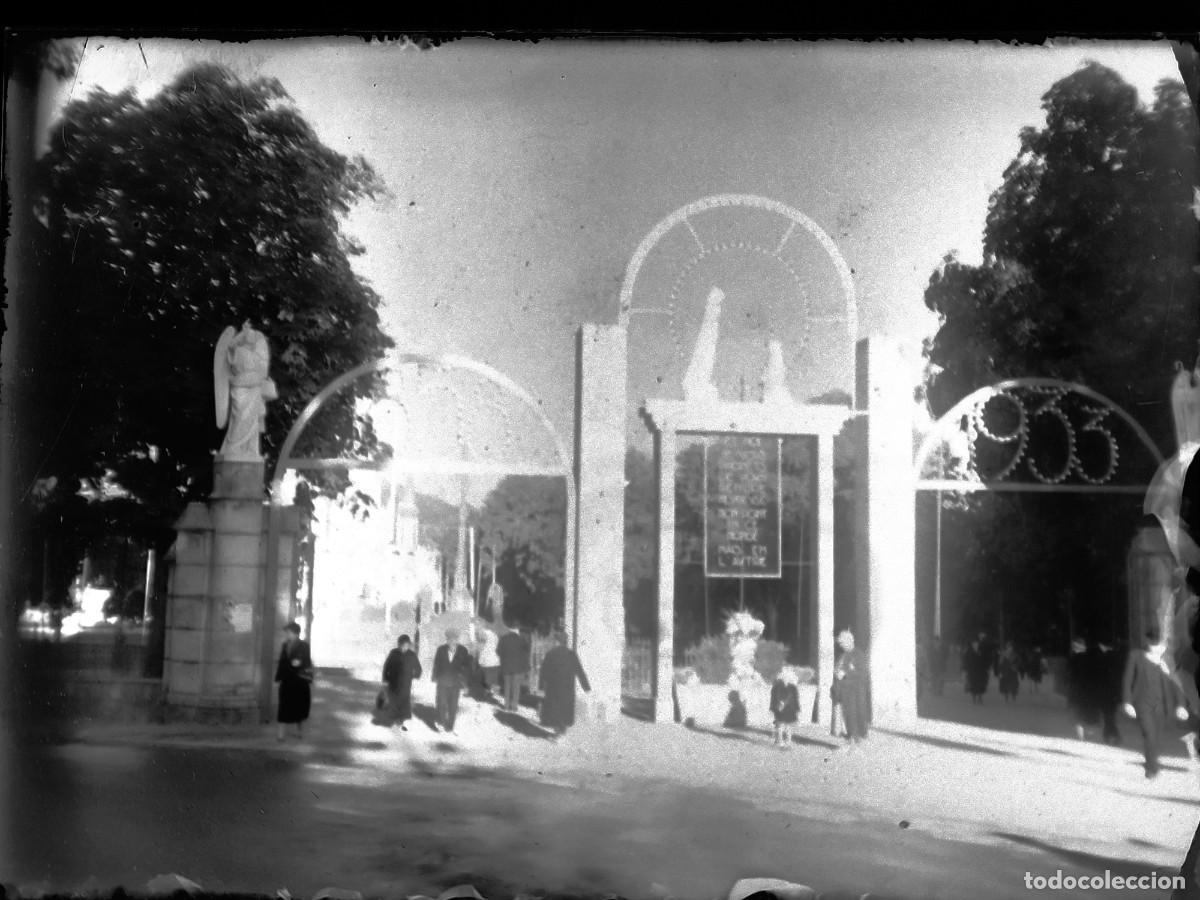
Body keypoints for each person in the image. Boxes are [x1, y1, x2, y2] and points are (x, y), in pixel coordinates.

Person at [1123, 627, 1189, 779]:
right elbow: (1128, 679)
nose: (1158, 648)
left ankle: (1151, 760)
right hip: (1142, 703)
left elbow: (1176, 684)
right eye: (1154, 645)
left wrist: (1181, 705)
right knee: (1150, 734)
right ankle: (1152, 768)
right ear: (1148, 643)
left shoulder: (1168, 660)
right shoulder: (1136, 656)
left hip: (1162, 705)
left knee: (1156, 736)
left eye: (1160, 645)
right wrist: (1127, 702)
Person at [538, 630, 591, 738]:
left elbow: (543, 672)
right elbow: (579, 670)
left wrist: (541, 687)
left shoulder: (550, 654)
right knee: (565, 709)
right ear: (565, 641)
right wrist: (586, 687)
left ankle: (557, 733)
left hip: (553, 688)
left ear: (557, 641)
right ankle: (562, 732)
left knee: (555, 710)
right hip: (567, 688)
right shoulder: (571, 654)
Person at [275, 621, 314, 741]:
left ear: (294, 633)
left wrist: (299, 662)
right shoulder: (285, 645)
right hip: (287, 680)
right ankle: (281, 733)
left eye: (288, 632)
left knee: (299, 707)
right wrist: (278, 676)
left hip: (299, 681)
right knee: (283, 706)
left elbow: (305, 660)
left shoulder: (304, 645)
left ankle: (299, 730)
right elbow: (282, 662)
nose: (286, 634)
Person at [833, 629, 869, 745]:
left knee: (856, 714)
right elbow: (838, 669)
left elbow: (863, 673)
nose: (841, 646)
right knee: (848, 715)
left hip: (856, 691)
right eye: (840, 644)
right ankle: (851, 737)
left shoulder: (859, 655)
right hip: (845, 691)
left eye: (842, 643)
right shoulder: (842, 655)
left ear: (850, 641)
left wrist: (846, 673)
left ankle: (857, 738)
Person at [432, 628, 472, 733]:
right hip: (443, 681)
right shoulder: (441, 649)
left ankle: (450, 726)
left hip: (456, 682)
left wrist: (466, 684)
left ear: (457, 640)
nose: (452, 642)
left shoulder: (463, 651)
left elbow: (466, 668)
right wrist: (435, 677)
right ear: (447, 640)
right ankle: (440, 722)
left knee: (453, 706)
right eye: (450, 640)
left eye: (455, 640)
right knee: (441, 703)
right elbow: (436, 664)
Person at [380, 634, 422, 730]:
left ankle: (402, 720)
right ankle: (396, 720)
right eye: (401, 645)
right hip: (393, 681)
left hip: (406, 683)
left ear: (408, 645)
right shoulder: (393, 653)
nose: (403, 647)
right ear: (398, 645)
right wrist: (385, 680)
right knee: (394, 701)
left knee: (404, 702)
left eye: (406, 645)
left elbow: (418, 668)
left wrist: (415, 676)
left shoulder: (412, 655)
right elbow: (386, 666)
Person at [1067, 637, 1102, 741]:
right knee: (1088, 712)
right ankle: (1089, 733)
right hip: (1088, 690)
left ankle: (1081, 736)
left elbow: (1069, 675)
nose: (1074, 648)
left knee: (1077, 713)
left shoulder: (1073, 659)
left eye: (1075, 646)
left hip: (1077, 690)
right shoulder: (1091, 658)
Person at [496, 624, 530, 713]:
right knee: (516, 687)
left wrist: (504, 657)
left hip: (506, 666)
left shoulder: (503, 639)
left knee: (507, 686)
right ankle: (514, 706)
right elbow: (526, 651)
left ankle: (506, 705)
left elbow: (498, 651)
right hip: (518, 668)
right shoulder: (521, 639)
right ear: (517, 630)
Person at [770, 669, 800, 749]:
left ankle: (787, 742)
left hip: (788, 710)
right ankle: (780, 741)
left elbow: (796, 700)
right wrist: (774, 708)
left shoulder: (792, 687)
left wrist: (796, 709)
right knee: (781, 725)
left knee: (787, 726)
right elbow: (774, 699)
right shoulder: (777, 687)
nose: (787, 679)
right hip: (781, 710)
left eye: (788, 677)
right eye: (785, 677)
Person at [962, 635, 991, 703]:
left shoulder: (982, 650)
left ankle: (980, 697)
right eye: (974, 643)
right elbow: (966, 661)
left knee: (980, 684)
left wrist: (987, 667)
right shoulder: (969, 651)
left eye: (977, 643)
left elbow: (985, 659)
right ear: (972, 644)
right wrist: (965, 669)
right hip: (972, 671)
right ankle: (974, 697)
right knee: (973, 684)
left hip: (981, 671)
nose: (975, 644)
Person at [477, 625, 501, 700]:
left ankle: (488, 693)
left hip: (486, 660)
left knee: (487, 678)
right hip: (495, 660)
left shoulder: (482, 634)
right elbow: (497, 646)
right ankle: (495, 693)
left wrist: (480, 658)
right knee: (494, 678)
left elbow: (481, 647)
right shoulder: (495, 635)